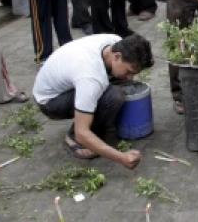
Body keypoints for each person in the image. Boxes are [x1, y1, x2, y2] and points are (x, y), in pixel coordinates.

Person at [33, 33, 152, 167]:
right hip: (50, 102)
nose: (130, 77)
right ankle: (73, 139)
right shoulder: (91, 78)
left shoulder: (116, 42)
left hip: (64, 79)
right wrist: (122, 158)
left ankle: (96, 122)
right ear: (117, 56)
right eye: (129, 71)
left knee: (116, 83)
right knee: (113, 96)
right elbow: (81, 133)